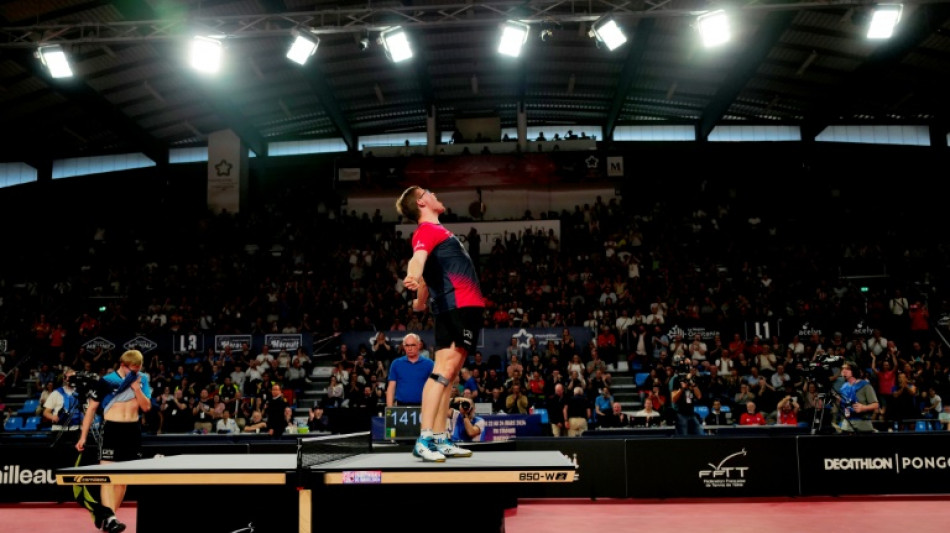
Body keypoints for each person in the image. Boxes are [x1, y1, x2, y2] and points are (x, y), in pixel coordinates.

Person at [397, 186, 485, 462]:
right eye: (428, 191)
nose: (435, 193)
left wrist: (421, 300)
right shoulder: (426, 231)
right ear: (422, 202)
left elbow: (429, 275)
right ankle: (424, 438)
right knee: (444, 371)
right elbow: (418, 261)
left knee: (451, 374)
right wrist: (412, 276)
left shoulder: (439, 232)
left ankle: (439, 438)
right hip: (456, 305)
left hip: (458, 305)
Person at [75, 349, 153, 533]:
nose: (135, 372)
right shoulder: (107, 381)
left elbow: (146, 407)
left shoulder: (142, 380)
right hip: (111, 429)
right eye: (132, 369)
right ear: (123, 365)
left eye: (138, 368)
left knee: (122, 479)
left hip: (132, 430)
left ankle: (110, 519)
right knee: (108, 476)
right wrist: (83, 436)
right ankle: (111, 518)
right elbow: (91, 409)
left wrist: (136, 389)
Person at [386, 333, 434, 407]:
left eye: (413, 345)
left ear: (419, 345)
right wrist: (389, 408)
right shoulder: (396, 363)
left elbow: (436, 384)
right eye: (407, 345)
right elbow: (391, 387)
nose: (409, 348)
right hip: (401, 406)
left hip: (424, 406)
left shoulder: (429, 364)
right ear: (404, 347)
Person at [835, 361, 879, 433]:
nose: (844, 371)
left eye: (848, 369)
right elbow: (845, 406)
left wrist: (864, 407)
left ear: (854, 370)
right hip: (847, 425)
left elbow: (876, 405)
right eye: (843, 369)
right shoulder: (843, 387)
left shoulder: (865, 385)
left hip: (862, 425)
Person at [43, 366, 82, 432]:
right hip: (58, 428)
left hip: (75, 428)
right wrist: (53, 417)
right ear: (64, 379)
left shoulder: (80, 393)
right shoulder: (56, 393)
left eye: (72, 378)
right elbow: (46, 412)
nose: (69, 380)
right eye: (67, 377)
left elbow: (85, 412)